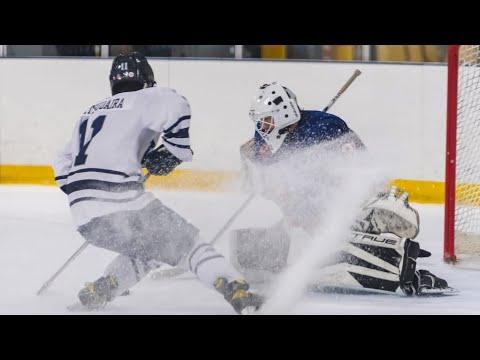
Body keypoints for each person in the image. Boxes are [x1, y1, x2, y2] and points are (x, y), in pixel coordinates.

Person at [53, 52, 263, 314]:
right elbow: (177, 103)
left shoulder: (89, 113)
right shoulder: (145, 98)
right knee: (189, 245)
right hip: (123, 204)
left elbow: (61, 161)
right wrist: (175, 150)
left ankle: (105, 287)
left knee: (152, 246)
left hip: (83, 217)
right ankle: (236, 290)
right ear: (145, 80)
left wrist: (84, 194)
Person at [231, 82, 451, 296]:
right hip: (305, 206)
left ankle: (373, 231)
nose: (262, 127)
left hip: (337, 197)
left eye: (267, 120)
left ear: (283, 114)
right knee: (290, 226)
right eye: (260, 122)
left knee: (334, 219)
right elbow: (254, 159)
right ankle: (334, 242)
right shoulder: (264, 135)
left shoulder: (326, 127)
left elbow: (361, 167)